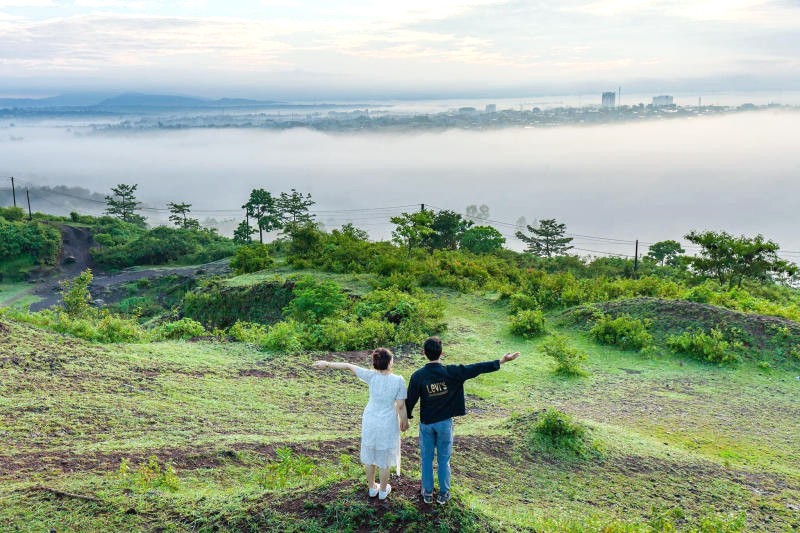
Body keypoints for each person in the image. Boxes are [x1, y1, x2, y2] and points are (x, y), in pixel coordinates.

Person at [406, 336, 520, 505]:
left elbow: (410, 400)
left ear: (424, 353)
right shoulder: (452, 372)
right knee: (444, 459)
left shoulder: (418, 376)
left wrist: (406, 416)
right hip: (445, 424)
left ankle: (427, 493)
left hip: (427, 424)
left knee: (426, 459)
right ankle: (444, 494)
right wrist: (501, 361)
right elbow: (476, 368)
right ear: (442, 353)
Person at [314, 348, 409, 500]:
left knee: (370, 453)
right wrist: (404, 421)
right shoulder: (398, 380)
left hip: (370, 419)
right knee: (384, 457)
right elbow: (401, 405)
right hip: (387, 421)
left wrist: (326, 364)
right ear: (390, 362)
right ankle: (383, 491)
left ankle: (372, 488)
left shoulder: (371, 376)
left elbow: (348, 365)